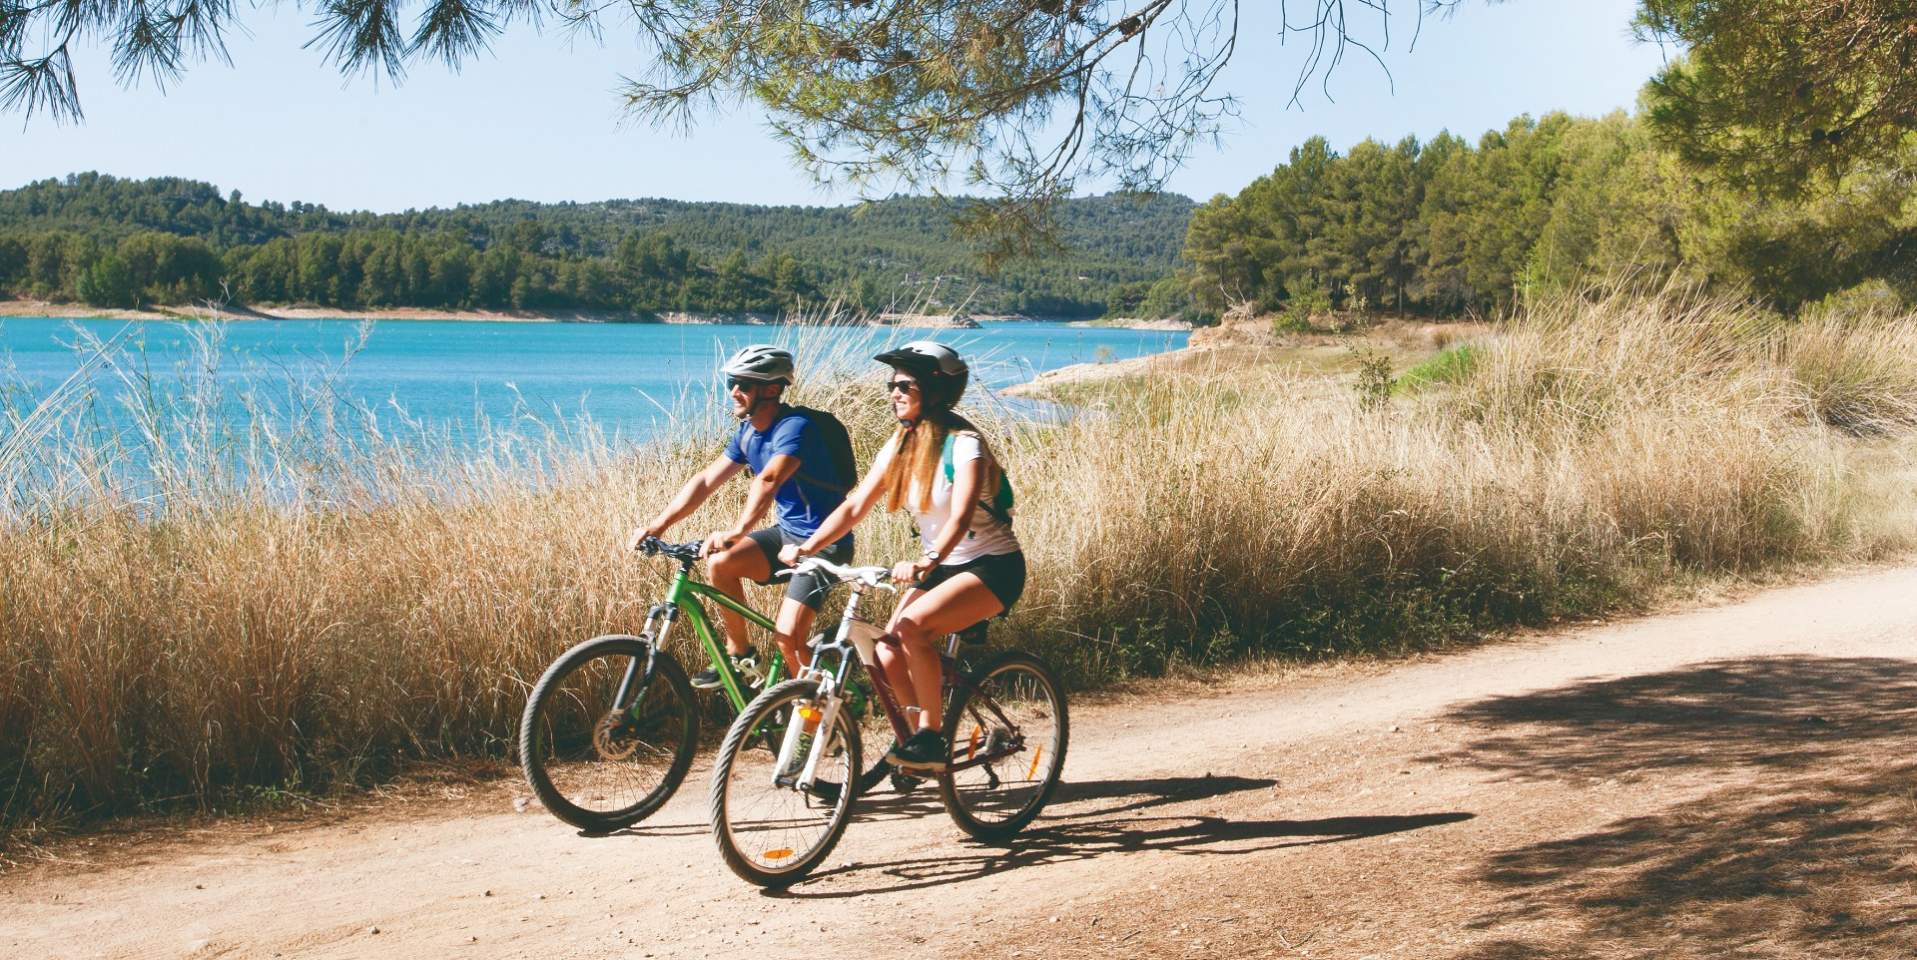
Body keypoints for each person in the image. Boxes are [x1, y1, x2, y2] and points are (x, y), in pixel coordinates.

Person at [780, 341, 1023, 772]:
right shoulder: (901, 444)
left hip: (992, 566)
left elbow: (963, 511)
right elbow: (856, 505)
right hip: (944, 565)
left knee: (912, 629)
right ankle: (914, 740)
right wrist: (807, 547)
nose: (893, 391)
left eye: (904, 384)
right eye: (890, 384)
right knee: (888, 649)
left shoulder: (964, 443)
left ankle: (931, 735)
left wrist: (927, 562)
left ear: (933, 389)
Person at [627, 344, 855, 688]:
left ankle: (826, 716)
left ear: (772, 389)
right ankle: (741, 657)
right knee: (722, 563)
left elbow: (769, 479)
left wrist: (737, 530)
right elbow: (705, 481)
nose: (734, 390)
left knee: (788, 639)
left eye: (744, 384)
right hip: (787, 535)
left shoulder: (796, 428)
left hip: (824, 545)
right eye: (732, 381)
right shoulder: (748, 432)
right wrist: (657, 525)